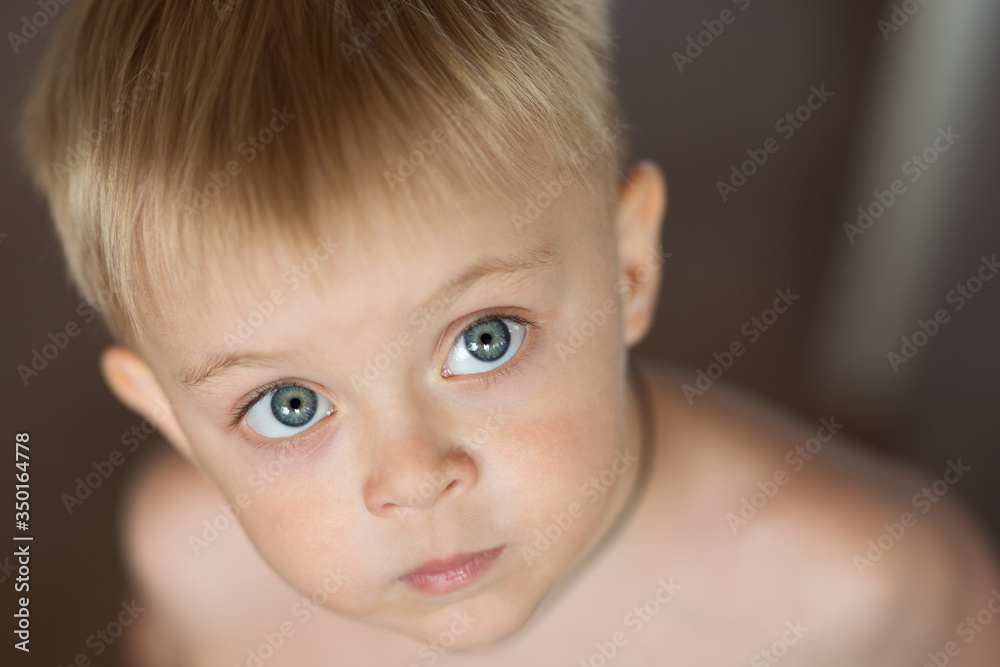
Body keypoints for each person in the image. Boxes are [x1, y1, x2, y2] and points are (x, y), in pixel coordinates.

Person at [20, 1, 1000, 664]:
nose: (410, 475)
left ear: (628, 266)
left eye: (483, 339)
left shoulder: (858, 583)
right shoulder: (193, 560)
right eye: (288, 405)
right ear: (171, 415)